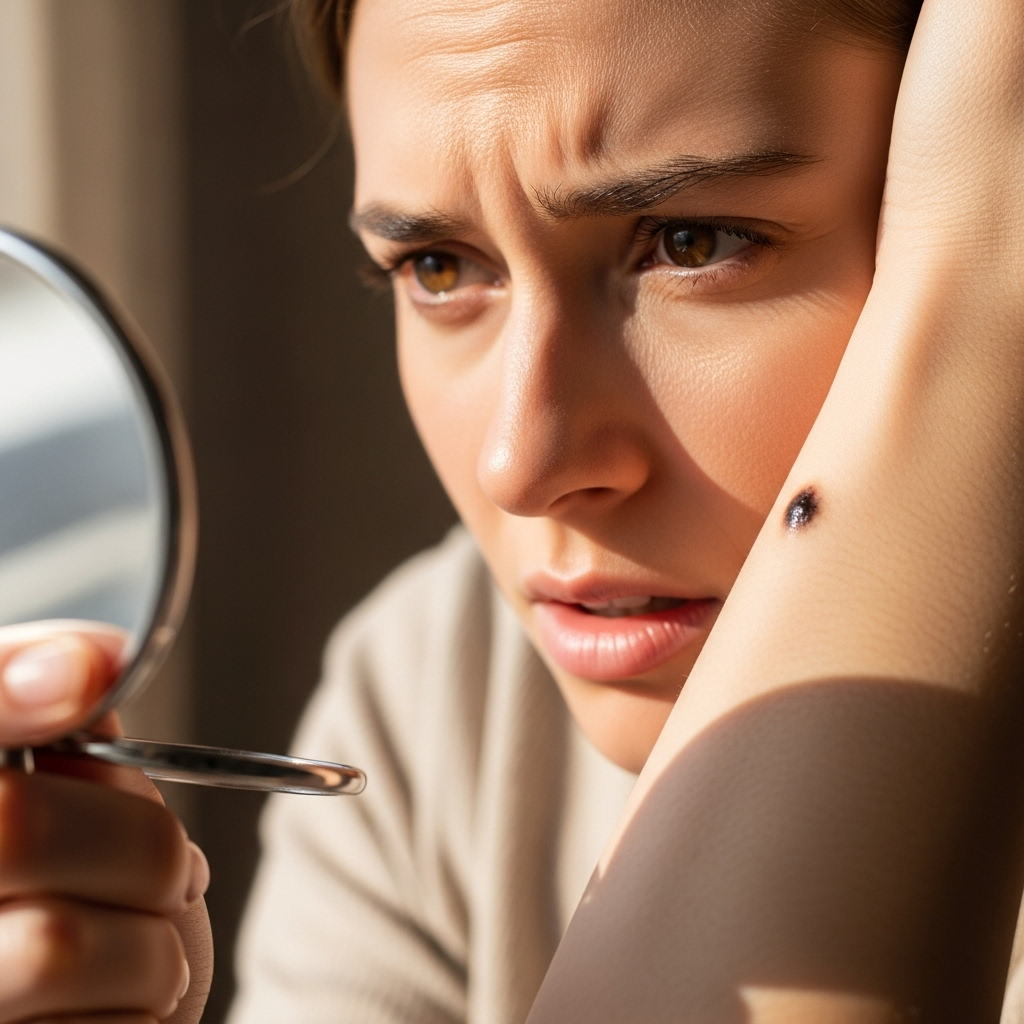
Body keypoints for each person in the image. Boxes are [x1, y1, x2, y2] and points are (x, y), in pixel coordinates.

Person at [1, 0, 1023, 1021]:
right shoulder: (439, 699)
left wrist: (973, 313)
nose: (518, 463)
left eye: (690, 241)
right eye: (438, 267)